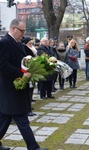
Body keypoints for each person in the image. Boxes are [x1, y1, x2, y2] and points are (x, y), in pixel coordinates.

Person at [0, 19, 47, 150]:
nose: (23, 33)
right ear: (13, 29)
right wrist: (21, 75)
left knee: (5, 119)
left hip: (17, 89)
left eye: (24, 31)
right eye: (22, 31)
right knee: (21, 119)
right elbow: (3, 65)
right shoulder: (4, 43)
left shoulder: (18, 43)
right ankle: (33, 147)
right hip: (10, 88)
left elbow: (28, 58)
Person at [22, 37, 37, 116]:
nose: (31, 45)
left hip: (32, 72)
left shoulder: (32, 49)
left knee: (31, 90)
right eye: (29, 43)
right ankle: (27, 108)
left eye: (32, 43)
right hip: (26, 72)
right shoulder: (24, 49)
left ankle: (29, 106)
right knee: (27, 91)